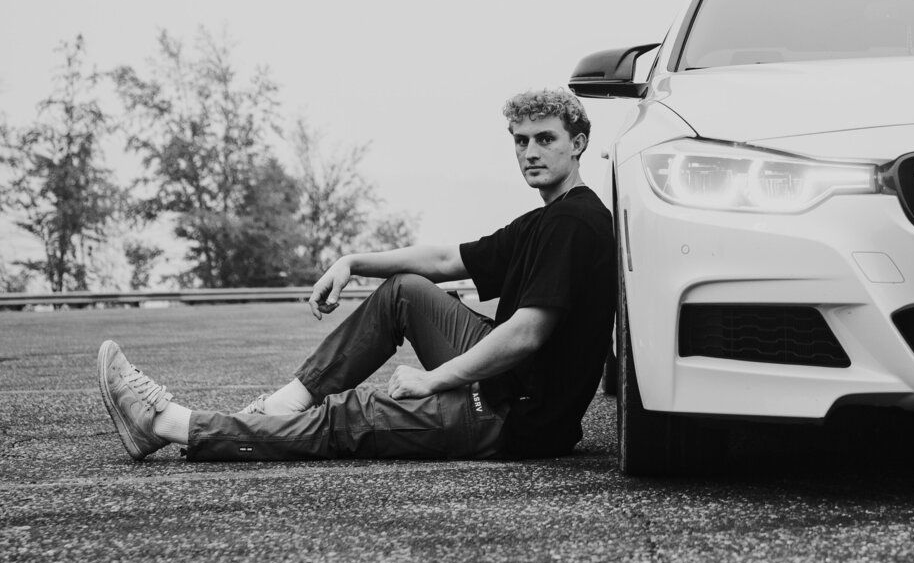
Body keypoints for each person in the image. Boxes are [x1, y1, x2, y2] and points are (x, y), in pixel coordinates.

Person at [97, 88, 615, 465]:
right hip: (505, 383)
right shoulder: (548, 217)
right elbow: (442, 262)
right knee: (404, 293)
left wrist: (431, 380)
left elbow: (527, 333)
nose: (529, 152)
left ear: (579, 143)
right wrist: (353, 262)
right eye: (520, 140)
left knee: (352, 416)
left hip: (515, 415)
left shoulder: (576, 221)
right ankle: (281, 407)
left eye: (545, 139)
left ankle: (169, 425)